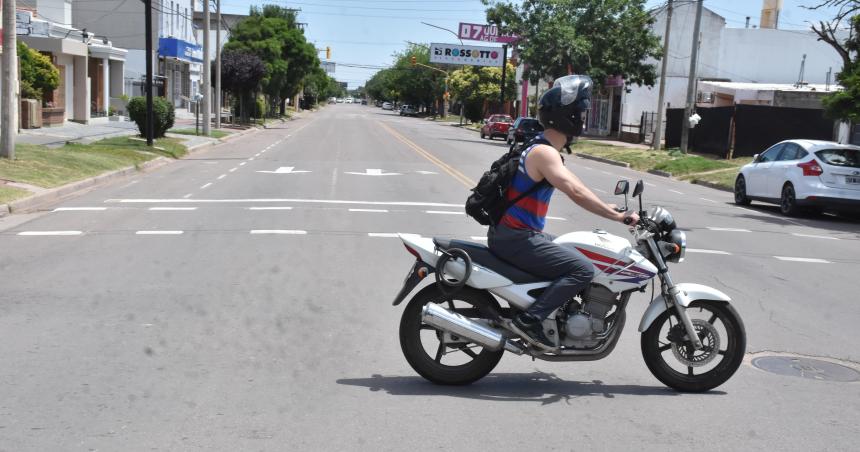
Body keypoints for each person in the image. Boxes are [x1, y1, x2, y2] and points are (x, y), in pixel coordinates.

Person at [488, 75, 639, 350]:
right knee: (582, 269)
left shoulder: (544, 148)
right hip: (516, 237)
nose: (582, 117)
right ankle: (529, 322)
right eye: (579, 112)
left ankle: (555, 315)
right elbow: (575, 192)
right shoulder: (544, 154)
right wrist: (616, 217)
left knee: (575, 251)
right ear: (565, 116)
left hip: (517, 234)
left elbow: (577, 184)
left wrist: (610, 207)